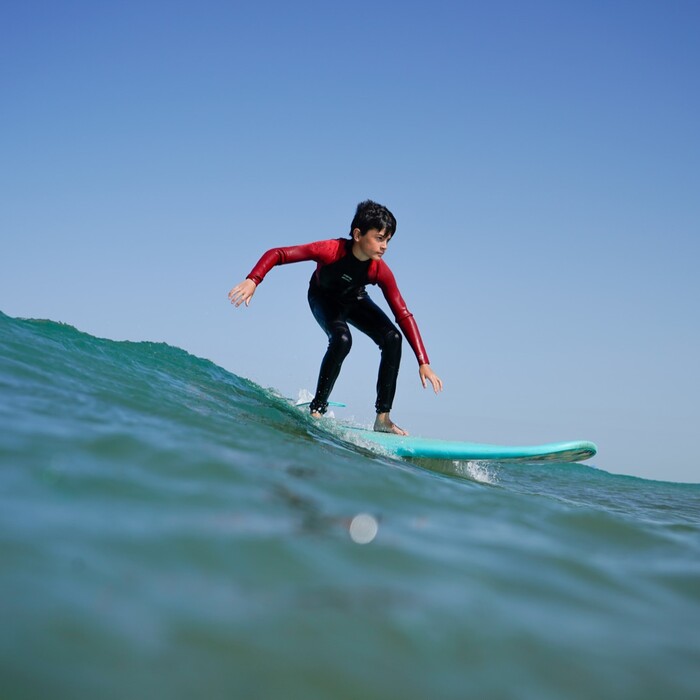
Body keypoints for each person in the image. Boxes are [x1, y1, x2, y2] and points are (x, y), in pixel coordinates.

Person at [228, 200, 443, 435]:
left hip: (355, 300)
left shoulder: (378, 269)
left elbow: (402, 313)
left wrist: (424, 361)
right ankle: (317, 408)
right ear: (358, 234)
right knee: (342, 339)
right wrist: (254, 279)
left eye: (388, 240)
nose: (385, 246)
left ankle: (383, 418)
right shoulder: (330, 250)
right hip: (323, 298)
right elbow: (279, 253)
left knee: (392, 337)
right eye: (380, 238)